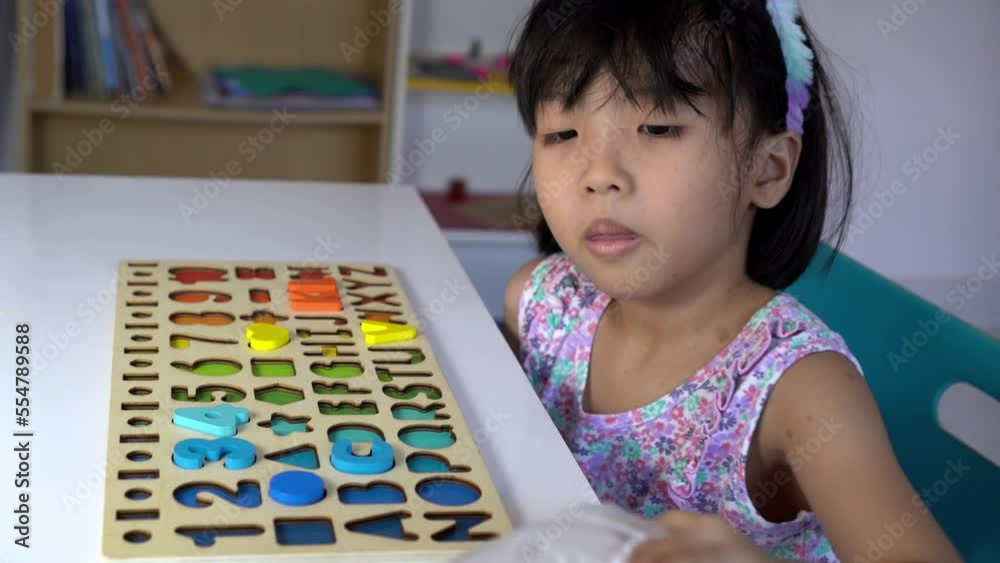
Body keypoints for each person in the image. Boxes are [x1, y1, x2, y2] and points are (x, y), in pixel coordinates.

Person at [502, 1, 963, 561]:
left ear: (767, 170)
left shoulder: (800, 389)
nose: (599, 175)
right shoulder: (541, 305)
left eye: (658, 127)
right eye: (562, 133)